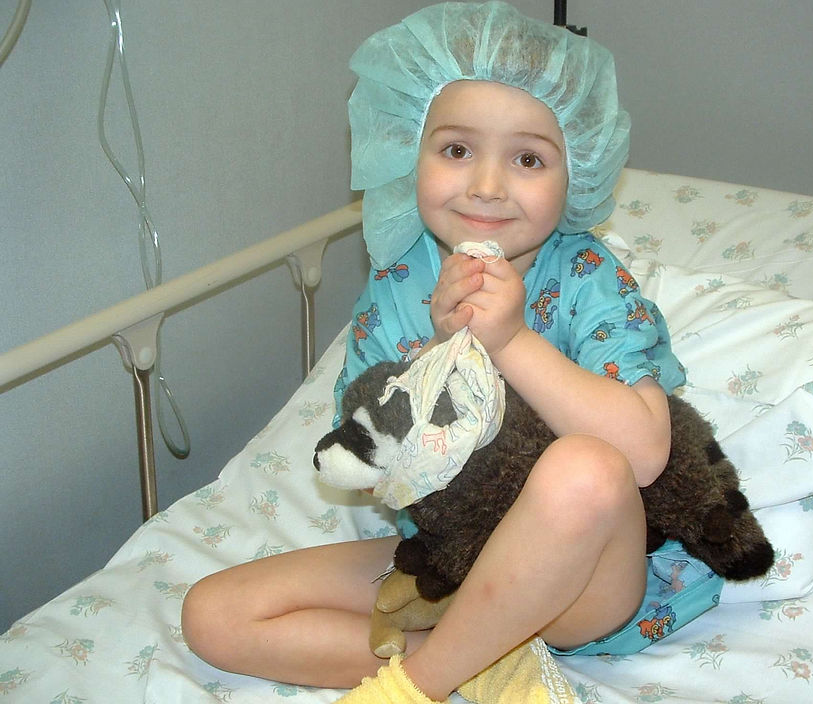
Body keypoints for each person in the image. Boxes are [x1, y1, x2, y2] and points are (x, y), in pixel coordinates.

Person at [181, 3, 719, 702]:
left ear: (578, 173)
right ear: (409, 149)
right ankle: (488, 654)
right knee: (214, 616)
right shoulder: (399, 280)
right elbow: (379, 463)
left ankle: (422, 682)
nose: (487, 186)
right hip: (455, 558)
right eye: (457, 149)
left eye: (528, 158)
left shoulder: (589, 280)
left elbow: (645, 454)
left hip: (584, 588)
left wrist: (510, 340)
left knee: (585, 468)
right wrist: (445, 348)